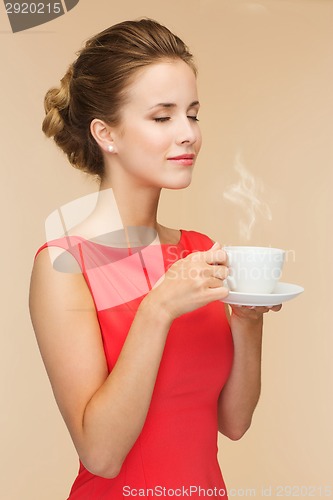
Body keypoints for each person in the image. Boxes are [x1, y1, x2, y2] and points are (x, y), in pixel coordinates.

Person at [29, 18, 281, 499]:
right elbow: (100, 455)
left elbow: (235, 421)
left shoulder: (198, 249)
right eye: (163, 117)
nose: (187, 133)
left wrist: (247, 321)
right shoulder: (63, 266)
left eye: (193, 113)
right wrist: (158, 308)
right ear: (107, 133)